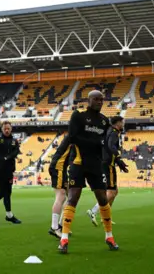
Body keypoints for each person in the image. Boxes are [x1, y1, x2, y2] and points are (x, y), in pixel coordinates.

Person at [58, 90, 118, 254]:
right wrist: (94, 143)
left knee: (103, 199)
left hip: (95, 165)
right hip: (77, 162)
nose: (99, 102)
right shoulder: (78, 116)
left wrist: (116, 159)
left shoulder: (105, 122)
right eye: (96, 99)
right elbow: (72, 137)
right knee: (73, 197)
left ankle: (109, 236)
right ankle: (64, 239)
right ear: (88, 100)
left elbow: (103, 145)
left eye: (101, 100)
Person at [87, 115, 129, 226]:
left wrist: (118, 163)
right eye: (122, 122)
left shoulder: (110, 131)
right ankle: (94, 211)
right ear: (118, 123)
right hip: (108, 164)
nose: (123, 124)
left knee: (115, 191)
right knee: (111, 192)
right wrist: (118, 159)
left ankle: (105, 217)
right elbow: (111, 146)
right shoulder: (114, 132)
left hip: (106, 163)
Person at [48, 134, 72, 238]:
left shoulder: (74, 136)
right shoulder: (74, 137)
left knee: (70, 197)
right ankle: (54, 227)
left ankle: (61, 225)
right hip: (58, 167)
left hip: (62, 168)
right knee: (61, 195)